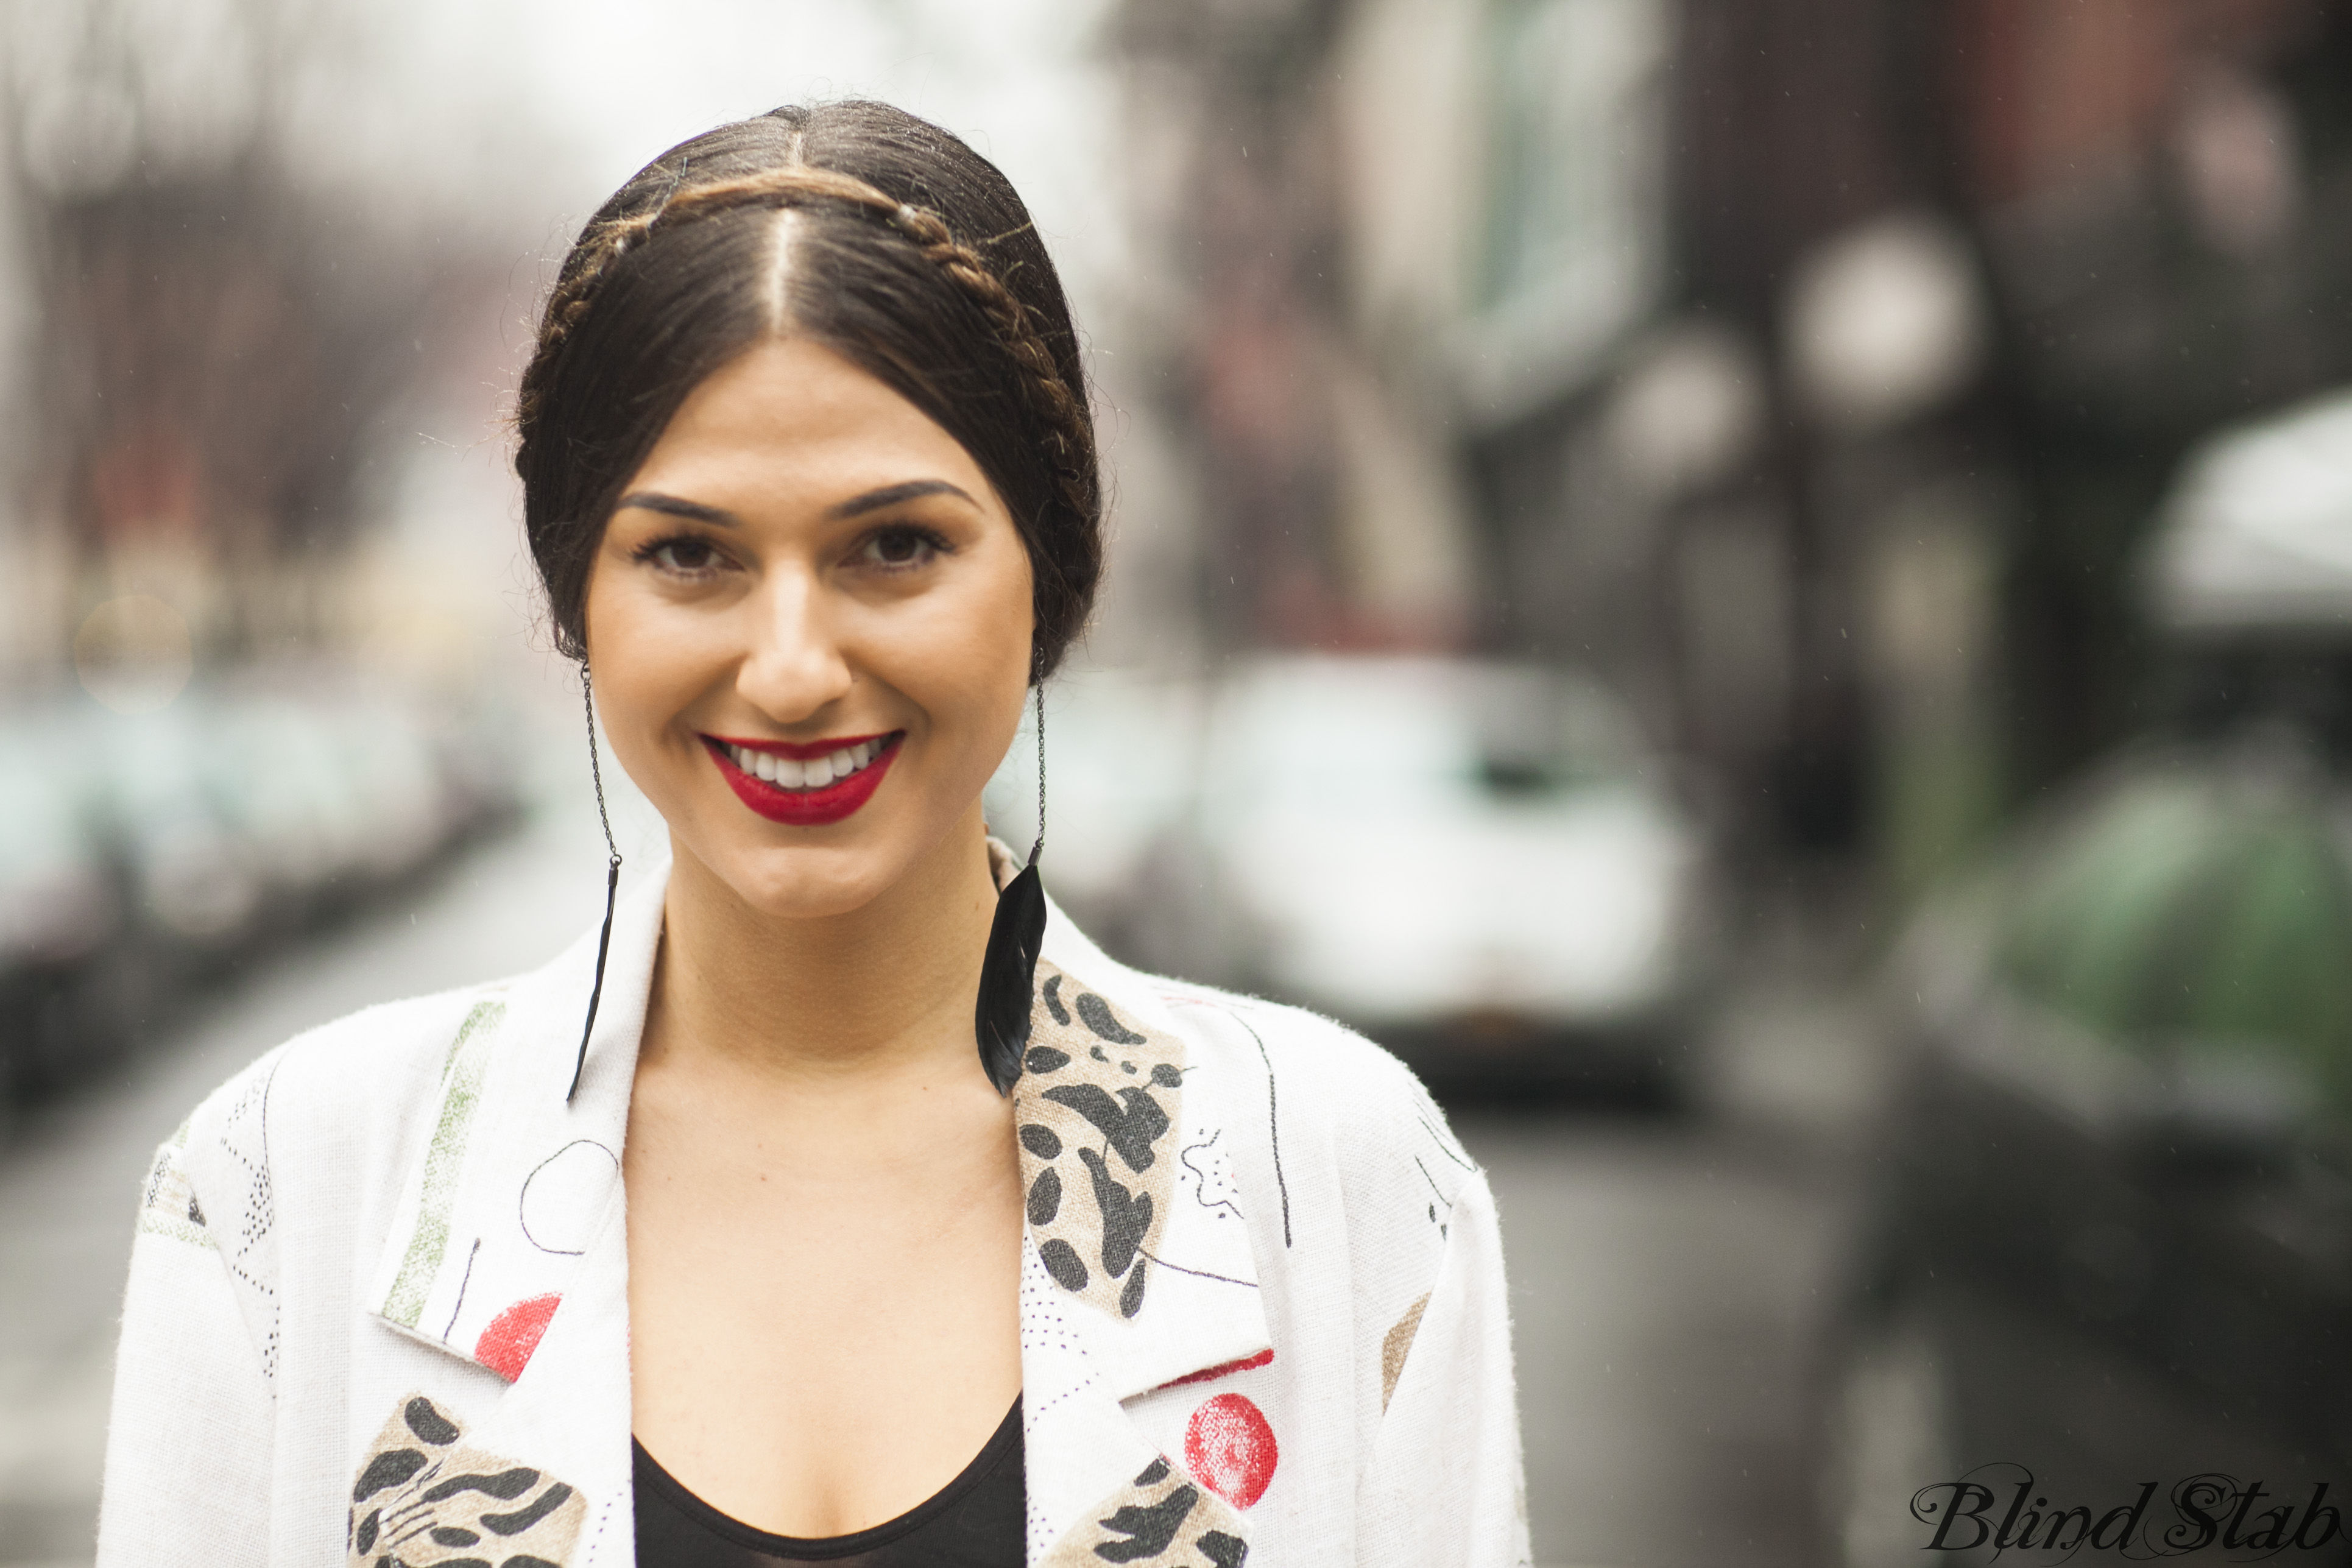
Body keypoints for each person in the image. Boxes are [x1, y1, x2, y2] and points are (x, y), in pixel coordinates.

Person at [94, 102, 1528, 1568]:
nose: (789, 668)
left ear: (1050, 575)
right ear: (576, 598)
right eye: (690, 555)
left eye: (895, 547)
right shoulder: (289, 1187)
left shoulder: (1339, 1185)